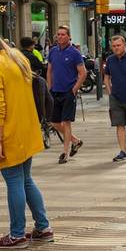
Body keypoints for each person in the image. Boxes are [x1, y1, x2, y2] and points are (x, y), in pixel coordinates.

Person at [0, 26, 51, 249]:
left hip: (9, 132)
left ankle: (17, 234)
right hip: (27, 128)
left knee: (14, 181)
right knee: (25, 179)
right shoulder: (17, 59)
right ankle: (43, 227)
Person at [46, 25, 87, 164]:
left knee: (66, 122)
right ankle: (75, 141)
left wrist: (74, 89)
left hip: (68, 92)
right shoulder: (52, 51)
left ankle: (65, 152)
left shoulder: (74, 53)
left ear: (69, 36)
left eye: (63, 34)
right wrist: (49, 87)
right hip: (55, 91)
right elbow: (49, 70)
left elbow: (83, 73)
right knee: (53, 121)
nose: (60, 37)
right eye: (58, 34)